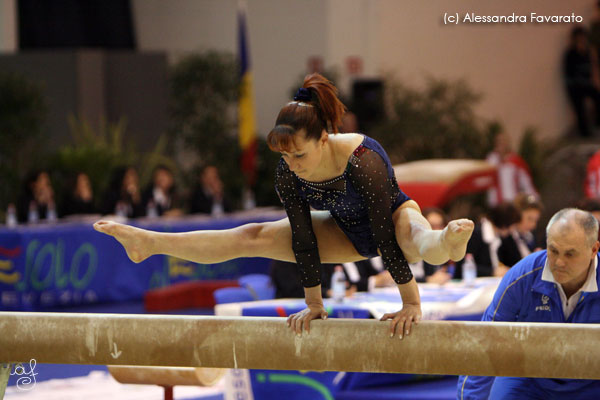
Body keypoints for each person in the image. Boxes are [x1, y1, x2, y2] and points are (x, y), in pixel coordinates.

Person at [93, 73, 474, 337]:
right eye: (286, 157)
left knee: (415, 236)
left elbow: (381, 233)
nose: (293, 165)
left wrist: (410, 304)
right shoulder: (287, 171)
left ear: (324, 139)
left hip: (390, 219)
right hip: (340, 230)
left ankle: (448, 242)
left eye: (300, 155)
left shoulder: (362, 158)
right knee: (252, 235)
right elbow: (303, 239)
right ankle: (150, 243)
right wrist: (313, 304)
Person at [457, 208, 600, 399]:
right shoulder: (522, 276)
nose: (559, 262)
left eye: (570, 254)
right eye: (553, 250)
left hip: (591, 379)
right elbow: (485, 343)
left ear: (593, 250)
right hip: (529, 376)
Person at [455, 204, 520, 279]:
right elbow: (462, 267)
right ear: (505, 223)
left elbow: (513, 260)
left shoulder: (503, 237)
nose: (513, 230)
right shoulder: (475, 234)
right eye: (513, 226)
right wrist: (492, 271)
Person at [563, 26, 600, 138]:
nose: (582, 40)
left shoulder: (589, 51)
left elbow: (594, 68)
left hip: (587, 84)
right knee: (579, 107)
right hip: (575, 86)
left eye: (583, 38)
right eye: (579, 38)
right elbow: (570, 74)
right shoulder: (570, 54)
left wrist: (596, 82)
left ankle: (598, 123)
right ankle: (585, 134)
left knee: (598, 96)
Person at [486, 131, 538, 207]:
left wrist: (534, 199)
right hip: (496, 205)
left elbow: (526, 183)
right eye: (499, 142)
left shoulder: (516, 161)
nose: (501, 144)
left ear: (508, 143)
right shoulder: (491, 160)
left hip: (513, 204)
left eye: (504, 142)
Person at [410, 208, 454, 285]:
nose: (437, 230)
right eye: (432, 226)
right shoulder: (412, 248)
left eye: (440, 226)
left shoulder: (443, 248)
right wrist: (427, 280)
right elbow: (400, 278)